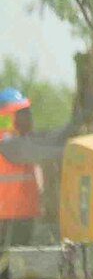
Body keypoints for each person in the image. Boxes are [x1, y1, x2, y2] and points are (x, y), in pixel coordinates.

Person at [0, 89, 42, 249]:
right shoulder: (7, 143)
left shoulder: (19, 140)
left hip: (22, 214)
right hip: (7, 218)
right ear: (7, 116)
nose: (28, 118)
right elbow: (46, 148)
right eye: (21, 113)